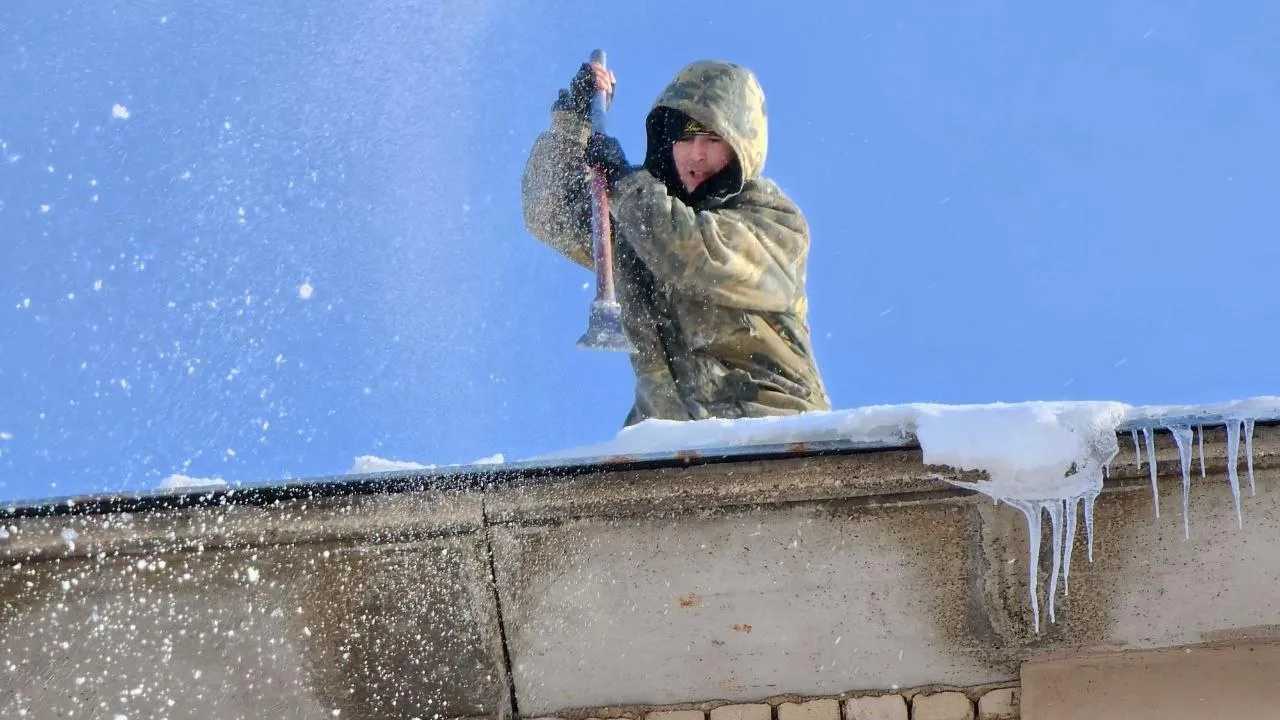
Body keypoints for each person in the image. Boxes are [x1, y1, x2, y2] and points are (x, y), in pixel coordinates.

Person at [521, 57, 831, 426]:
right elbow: (550, 214)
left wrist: (625, 184)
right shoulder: (639, 216)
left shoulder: (775, 222)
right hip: (672, 441)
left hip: (774, 430)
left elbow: (691, 253)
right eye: (685, 138)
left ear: (740, 147)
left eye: (713, 140)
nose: (697, 153)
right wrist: (571, 124)